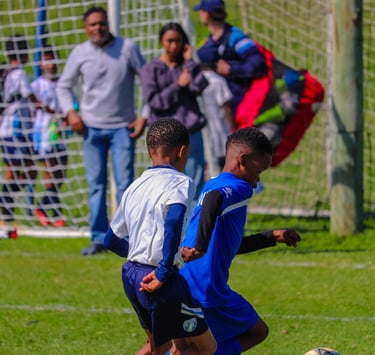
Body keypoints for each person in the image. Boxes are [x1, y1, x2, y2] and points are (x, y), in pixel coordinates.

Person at [179, 127, 301, 354]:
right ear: (243, 160)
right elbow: (214, 202)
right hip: (208, 289)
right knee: (256, 332)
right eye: (260, 170)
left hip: (187, 280)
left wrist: (273, 237)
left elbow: (230, 245)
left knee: (189, 346)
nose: (258, 179)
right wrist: (200, 247)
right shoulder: (239, 188)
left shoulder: (213, 184)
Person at [104, 117, 217, 355]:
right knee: (205, 347)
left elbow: (111, 240)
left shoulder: (134, 186)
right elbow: (174, 221)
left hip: (132, 275)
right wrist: (164, 270)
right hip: (160, 278)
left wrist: (141, 253)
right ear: (182, 151)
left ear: (149, 151)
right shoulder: (181, 182)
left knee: (160, 347)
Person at [57, 6, 148, 255]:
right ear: (86, 28)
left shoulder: (128, 48)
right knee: (96, 186)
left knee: (125, 185)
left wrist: (144, 116)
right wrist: (70, 112)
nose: (98, 28)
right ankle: (99, 238)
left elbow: (149, 82)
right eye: (93, 24)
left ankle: (127, 237)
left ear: (108, 24)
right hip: (91, 129)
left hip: (123, 129)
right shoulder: (79, 53)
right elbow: (63, 87)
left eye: (101, 23)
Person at [139, 22, 208, 202]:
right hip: (165, 138)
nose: (174, 46)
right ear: (161, 41)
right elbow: (154, 102)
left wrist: (190, 62)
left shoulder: (187, 67)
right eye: (169, 41)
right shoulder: (151, 69)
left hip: (191, 132)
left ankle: (193, 227)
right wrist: (178, 86)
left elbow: (200, 86)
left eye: (178, 41)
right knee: (165, 184)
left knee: (195, 182)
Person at [193, 0, 267, 117]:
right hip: (217, 105)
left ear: (206, 14)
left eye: (201, 11)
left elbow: (259, 64)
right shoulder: (208, 41)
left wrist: (231, 69)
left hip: (240, 104)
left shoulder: (235, 37)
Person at [0, 34, 42, 223]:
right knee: (27, 169)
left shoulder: (5, 73)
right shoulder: (20, 74)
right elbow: (30, 97)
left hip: (7, 130)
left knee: (15, 170)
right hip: (16, 130)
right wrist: (48, 109)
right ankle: (5, 203)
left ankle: (6, 207)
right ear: (24, 54)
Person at [31, 46, 69, 227]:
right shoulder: (37, 85)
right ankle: (54, 212)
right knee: (50, 173)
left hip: (60, 133)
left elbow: (72, 105)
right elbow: (32, 108)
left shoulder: (63, 84)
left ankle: (43, 207)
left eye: (53, 60)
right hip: (44, 134)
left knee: (60, 174)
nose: (51, 65)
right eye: (47, 61)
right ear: (41, 64)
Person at [201, 64, 235, 171]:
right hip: (220, 133)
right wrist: (234, 129)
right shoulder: (217, 80)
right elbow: (226, 108)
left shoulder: (193, 78)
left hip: (203, 136)